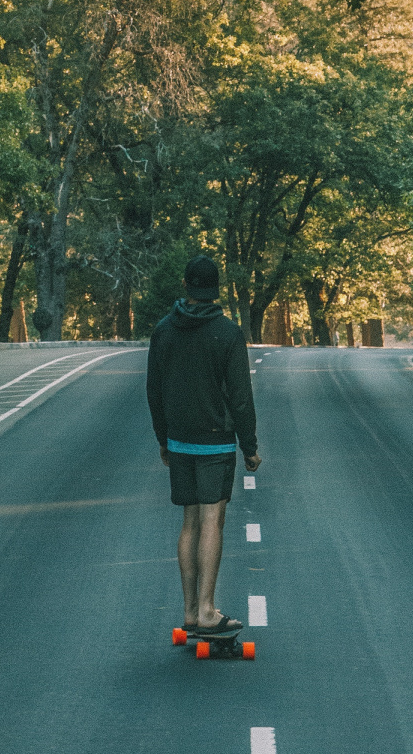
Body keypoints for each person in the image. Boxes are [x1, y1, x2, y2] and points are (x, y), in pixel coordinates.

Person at [147, 255, 261, 635]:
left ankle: (190, 611)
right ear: (216, 289)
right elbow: (240, 397)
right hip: (215, 443)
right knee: (213, 519)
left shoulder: (163, 331)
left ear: (186, 286)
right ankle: (209, 609)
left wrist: (164, 439)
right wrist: (250, 446)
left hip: (180, 441)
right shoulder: (228, 334)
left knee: (189, 521)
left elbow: (154, 390)